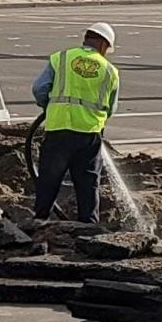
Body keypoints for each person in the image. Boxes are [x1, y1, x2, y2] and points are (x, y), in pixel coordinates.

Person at [32, 22, 120, 224]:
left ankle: (38, 221)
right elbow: (111, 108)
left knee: (49, 178)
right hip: (89, 134)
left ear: (86, 38)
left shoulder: (61, 58)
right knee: (88, 182)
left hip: (58, 128)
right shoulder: (110, 71)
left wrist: (50, 106)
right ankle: (88, 227)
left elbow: (39, 89)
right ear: (104, 44)